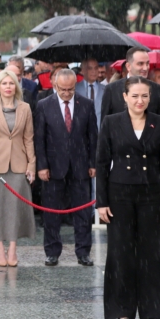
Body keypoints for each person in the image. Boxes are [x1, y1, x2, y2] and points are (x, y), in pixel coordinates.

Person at [96, 76, 160, 319]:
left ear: (150, 97)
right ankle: (123, 310)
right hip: (119, 193)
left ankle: (153, 310)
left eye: (144, 96)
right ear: (124, 97)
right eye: (135, 96)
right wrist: (101, 201)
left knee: (150, 252)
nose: (139, 101)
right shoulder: (111, 122)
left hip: (152, 194)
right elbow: (100, 163)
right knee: (121, 252)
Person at [34, 69, 97, 267]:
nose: (67, 93)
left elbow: (93, 137)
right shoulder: (44, 105)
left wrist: (93, 163)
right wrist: (42, 166)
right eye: (63, 89)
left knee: (83, 212)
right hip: (53, 167)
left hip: (80, 167)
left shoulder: (86, 104)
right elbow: (39, 138)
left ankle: (83, 252)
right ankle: (52, 251)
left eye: (70, 89)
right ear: (55, 85)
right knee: (51, 212)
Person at [0, 69, 36, 267]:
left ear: (16, 86)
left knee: (15, 209)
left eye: (11, 83)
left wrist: (32, 164)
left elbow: (29, 138)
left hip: (19, 165)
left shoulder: (25, 108)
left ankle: (12, 249)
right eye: (4, 83)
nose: (8, 87)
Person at [102, 48, 160, 118]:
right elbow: (105, 124)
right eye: (140, 64)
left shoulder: (157, 89)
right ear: (128, 66)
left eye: (147, 63)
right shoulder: (112, 89)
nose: (145, 68)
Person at [76, 57, 105, 130]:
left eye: (96, 68)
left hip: (100, 132)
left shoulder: (106, 89)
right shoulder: (75, 89)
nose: (94, 71)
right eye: (90, 68)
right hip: (81, 132)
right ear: (82, 70)